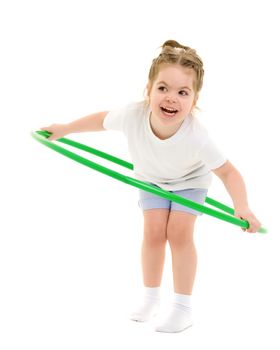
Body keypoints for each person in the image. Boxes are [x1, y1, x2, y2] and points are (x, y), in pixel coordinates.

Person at [41, 40, 262, 333]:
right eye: (163, 88)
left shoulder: (197, 136)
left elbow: (229, 172)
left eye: (183, 92)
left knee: (179, 234)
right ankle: (150, 299)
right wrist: (66, 129)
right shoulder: (133, 114)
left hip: (189, 183)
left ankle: (182, 308)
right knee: (154, 233)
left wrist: (242, 206)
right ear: (149, 90)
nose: (171, 98)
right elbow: (101, 120)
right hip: (151, 179)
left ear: (194, 100)